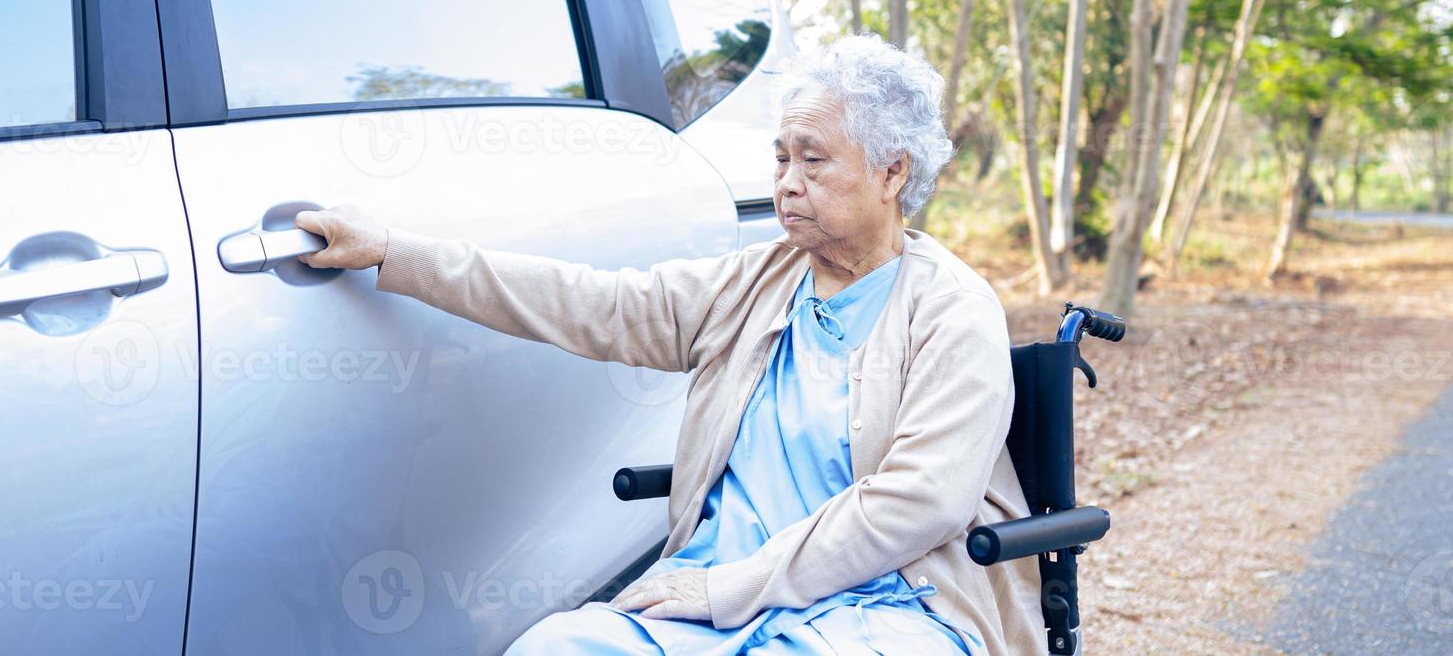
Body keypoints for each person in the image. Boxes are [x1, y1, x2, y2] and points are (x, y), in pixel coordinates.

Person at [294, 33, 1044, 654]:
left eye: (813, 160)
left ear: (891, 172)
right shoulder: (757, 282)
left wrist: (729, 588)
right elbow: (591, 302)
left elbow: (922, 504)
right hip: (711, 592)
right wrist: (397, 252)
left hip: (887, 609)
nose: (787, 183)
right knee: (551, 649)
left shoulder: (951, 310)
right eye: (781, 158)